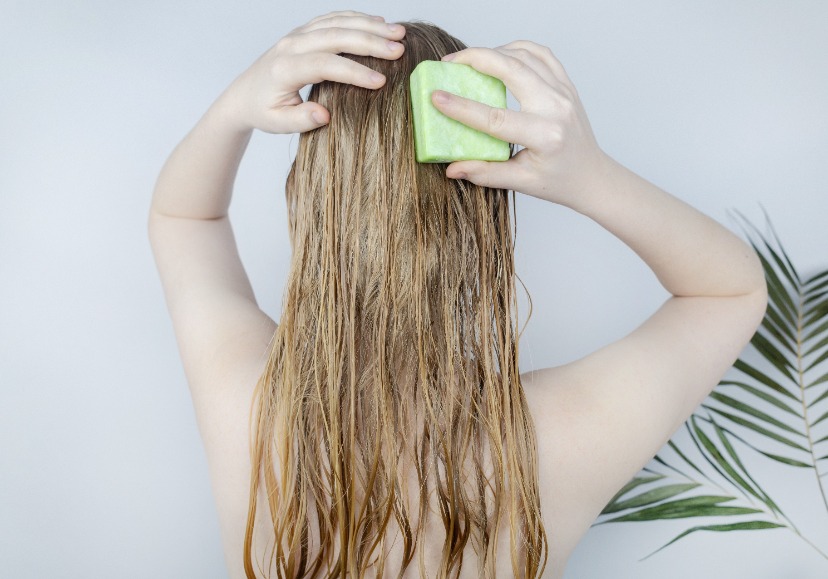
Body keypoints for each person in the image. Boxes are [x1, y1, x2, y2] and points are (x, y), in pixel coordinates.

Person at [148, 10, 767, 579]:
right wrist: (589, 175)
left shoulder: (250, 411)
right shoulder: (554, 442)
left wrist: (232, 108)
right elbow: (728, 293)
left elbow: (184, 219)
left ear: (312, 193)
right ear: (484, 209)